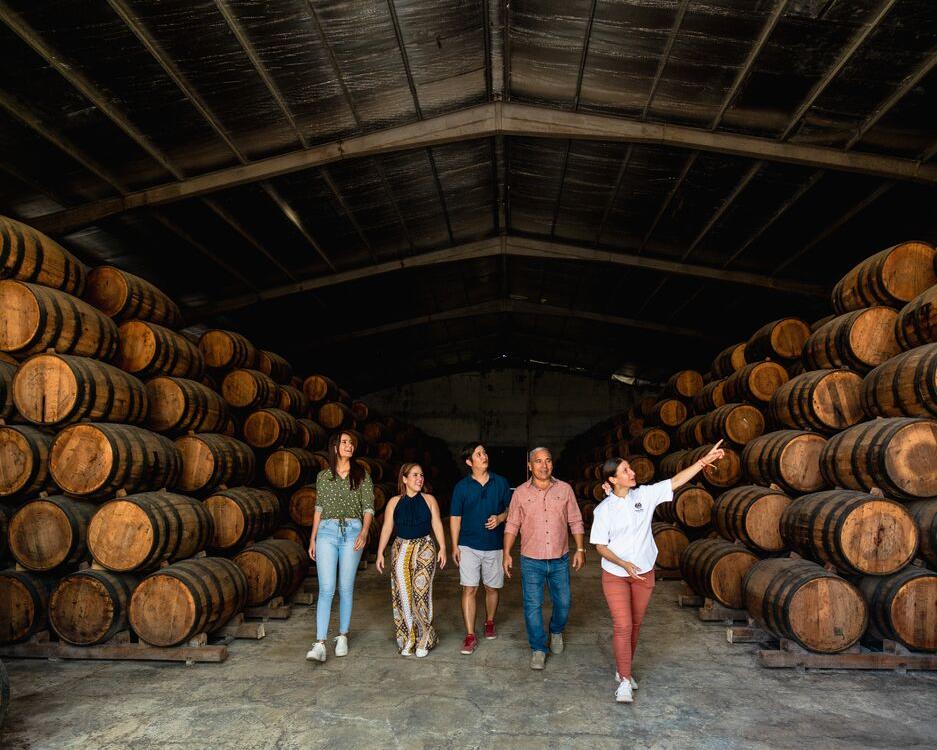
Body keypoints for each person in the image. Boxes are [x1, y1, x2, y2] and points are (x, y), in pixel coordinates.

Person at [591, 441, 726, 704]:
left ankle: (623, 671)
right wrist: (623, 563)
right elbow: (599, 546)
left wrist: (702, 462)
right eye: (626, 470)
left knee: (636, 626)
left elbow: (675, 481)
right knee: (623, 625)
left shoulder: (644, 495)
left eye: (630, 468)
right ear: (612, 479)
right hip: (616, 574)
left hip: (644, 572)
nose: (632, 473)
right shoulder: (603, 509)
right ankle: (625, 682)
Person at [503, 446, 585, 671]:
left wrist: (580, 549)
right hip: (531, 560)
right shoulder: (519, 493)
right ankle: (539, 647)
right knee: (532, 605)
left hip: (560, 558)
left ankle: (556, 630)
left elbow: (575, 520)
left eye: (548, 460)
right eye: (538, 461)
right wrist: (506, 553)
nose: (544, 465)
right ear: (530, 466)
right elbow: (512, 524)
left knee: (564, 602)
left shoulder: (565, 489)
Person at [305, 431, 374, 663]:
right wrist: (313, 538)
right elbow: (319, 508)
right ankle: (320, 643)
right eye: (344, 442)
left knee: (346, 587)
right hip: (326, 532)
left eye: (351, 443)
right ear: (335, 447)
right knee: (326, 588)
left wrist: (364, 532)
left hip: (353, 532)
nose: (349, 446)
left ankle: (342, 635)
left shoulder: (361, 474)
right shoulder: (323, 477)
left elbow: (369, 508)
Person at [375, 463, 448, 657]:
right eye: (415, 475)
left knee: (421, 592)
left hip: (425, 547)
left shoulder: (429, 500)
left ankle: (424, 638)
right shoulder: (394, 502)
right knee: (404, 595)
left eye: (421, 475)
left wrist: (443, 548)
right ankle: (409, 638)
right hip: (401, 548)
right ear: (405, 479)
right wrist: (380, 551)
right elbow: (387, 528)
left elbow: (437, 523)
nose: (419, 478)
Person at [450, 442, 512, 655]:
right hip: (468, 545)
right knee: (469, 588)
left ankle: (490, 622)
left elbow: (511, 509)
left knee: (492, 588)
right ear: (469, 462)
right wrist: (455, 546)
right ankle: (469, 635)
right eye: (478, 454)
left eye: (484, 452)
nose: (484, 456)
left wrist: (501, 517)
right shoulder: (461, 487)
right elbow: (455, 517)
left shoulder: (501, 483)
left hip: (494, 545)